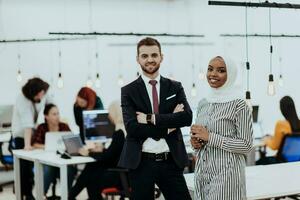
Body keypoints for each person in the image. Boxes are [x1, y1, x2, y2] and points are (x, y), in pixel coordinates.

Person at [119, 37, 192, 200]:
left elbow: (186, 117)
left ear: (161, 57)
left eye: (154, 55)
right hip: (141, 162)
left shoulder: (175, 87)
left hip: (171, 160)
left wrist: (150, 118)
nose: (150, 59)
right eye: (144, 56)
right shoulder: (128, 91)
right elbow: (132, 128)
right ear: (137, 59)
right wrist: (168, 125)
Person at [191, 56, 253, 200]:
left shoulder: (239, 105)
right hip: (202, 177)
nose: (213, 74)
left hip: (227, 179)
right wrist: (196, 143)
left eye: (221, 70)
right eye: (210, 69)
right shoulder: (203, 103)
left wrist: (211, 137)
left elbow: (247, 145)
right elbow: (200, 139)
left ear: (230, 74)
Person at [69, 100, 125, 200]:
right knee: (92, 167)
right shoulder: (124, 130)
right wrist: (98, 152)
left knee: (91, 178)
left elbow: (108, 156)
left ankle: (71, 196)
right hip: (120, 171)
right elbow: (112, 153)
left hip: (120, 176)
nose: (109, 117)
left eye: (110, 113)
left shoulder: (119, 133)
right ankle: (71, 196)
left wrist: (89, 153)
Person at [11, 77, 52, 200]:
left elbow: (50, 104)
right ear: (34, 91)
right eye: (41, 94)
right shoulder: (22, 99)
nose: (42, 96)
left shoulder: (41, 94)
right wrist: (27, 145)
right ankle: (25, 193)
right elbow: (27, 124)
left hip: (30, 134)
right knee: (24, 167)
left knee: (29, 167)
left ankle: (27, 191)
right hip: (20, 136)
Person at [31, 103, 76, 197]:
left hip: (62, 160)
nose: (57, 116)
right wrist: (48, 147)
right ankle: (41, 195)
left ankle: (67, 195)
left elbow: (72, 143)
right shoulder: (42, 127)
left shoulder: (64, 126)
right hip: (47, 161)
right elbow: (35, 144)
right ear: (46, 116)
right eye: (54, 114)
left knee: (70, 169)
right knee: (48, 169)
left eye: (58, 113)